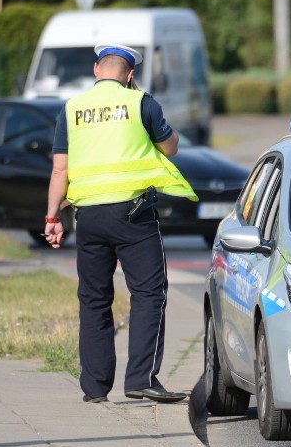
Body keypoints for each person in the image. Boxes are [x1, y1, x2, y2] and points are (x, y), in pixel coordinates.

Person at [43, 43, 197, 404]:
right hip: (134, 214)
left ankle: (95, 388)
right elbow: (169, 148)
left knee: (94, 299)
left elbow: (59, 169)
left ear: (97, 69)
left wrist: (52, 217)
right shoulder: (140, 102)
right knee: (148, 293)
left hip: (90, 218)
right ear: (129, 75)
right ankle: (140, 379)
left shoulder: (72, 108)